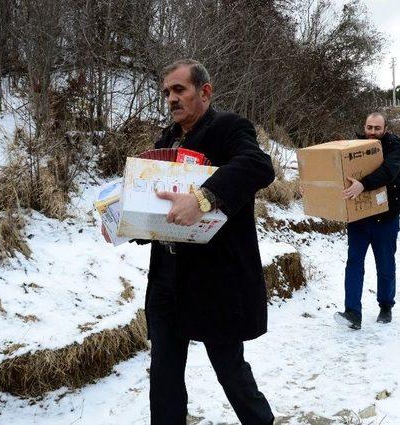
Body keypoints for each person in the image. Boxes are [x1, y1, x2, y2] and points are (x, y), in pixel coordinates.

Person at [104, 59, 275, 424]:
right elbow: (154, 206)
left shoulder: (229, 129)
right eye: (166, 92)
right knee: (164, 370)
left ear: (205, 92)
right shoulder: (165, 140)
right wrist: (124, 225)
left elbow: (259, 166)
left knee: (229, 367)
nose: (171, 99)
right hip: (167, 275)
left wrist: (203, 198)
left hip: (216, 278)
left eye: (179, 90)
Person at [336, 112, 400, 330]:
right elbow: (337, 173)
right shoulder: (352, 148)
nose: (372, 132)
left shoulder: (394, 148)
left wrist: (363, 184)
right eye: (369, 127)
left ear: (385, 129)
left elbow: (389, 171)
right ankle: (352, 313)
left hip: (386, 218)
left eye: (377, 128)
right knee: (354, 264)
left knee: (385, 264)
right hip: (359, 218)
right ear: (364, 126)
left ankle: (386, 306)